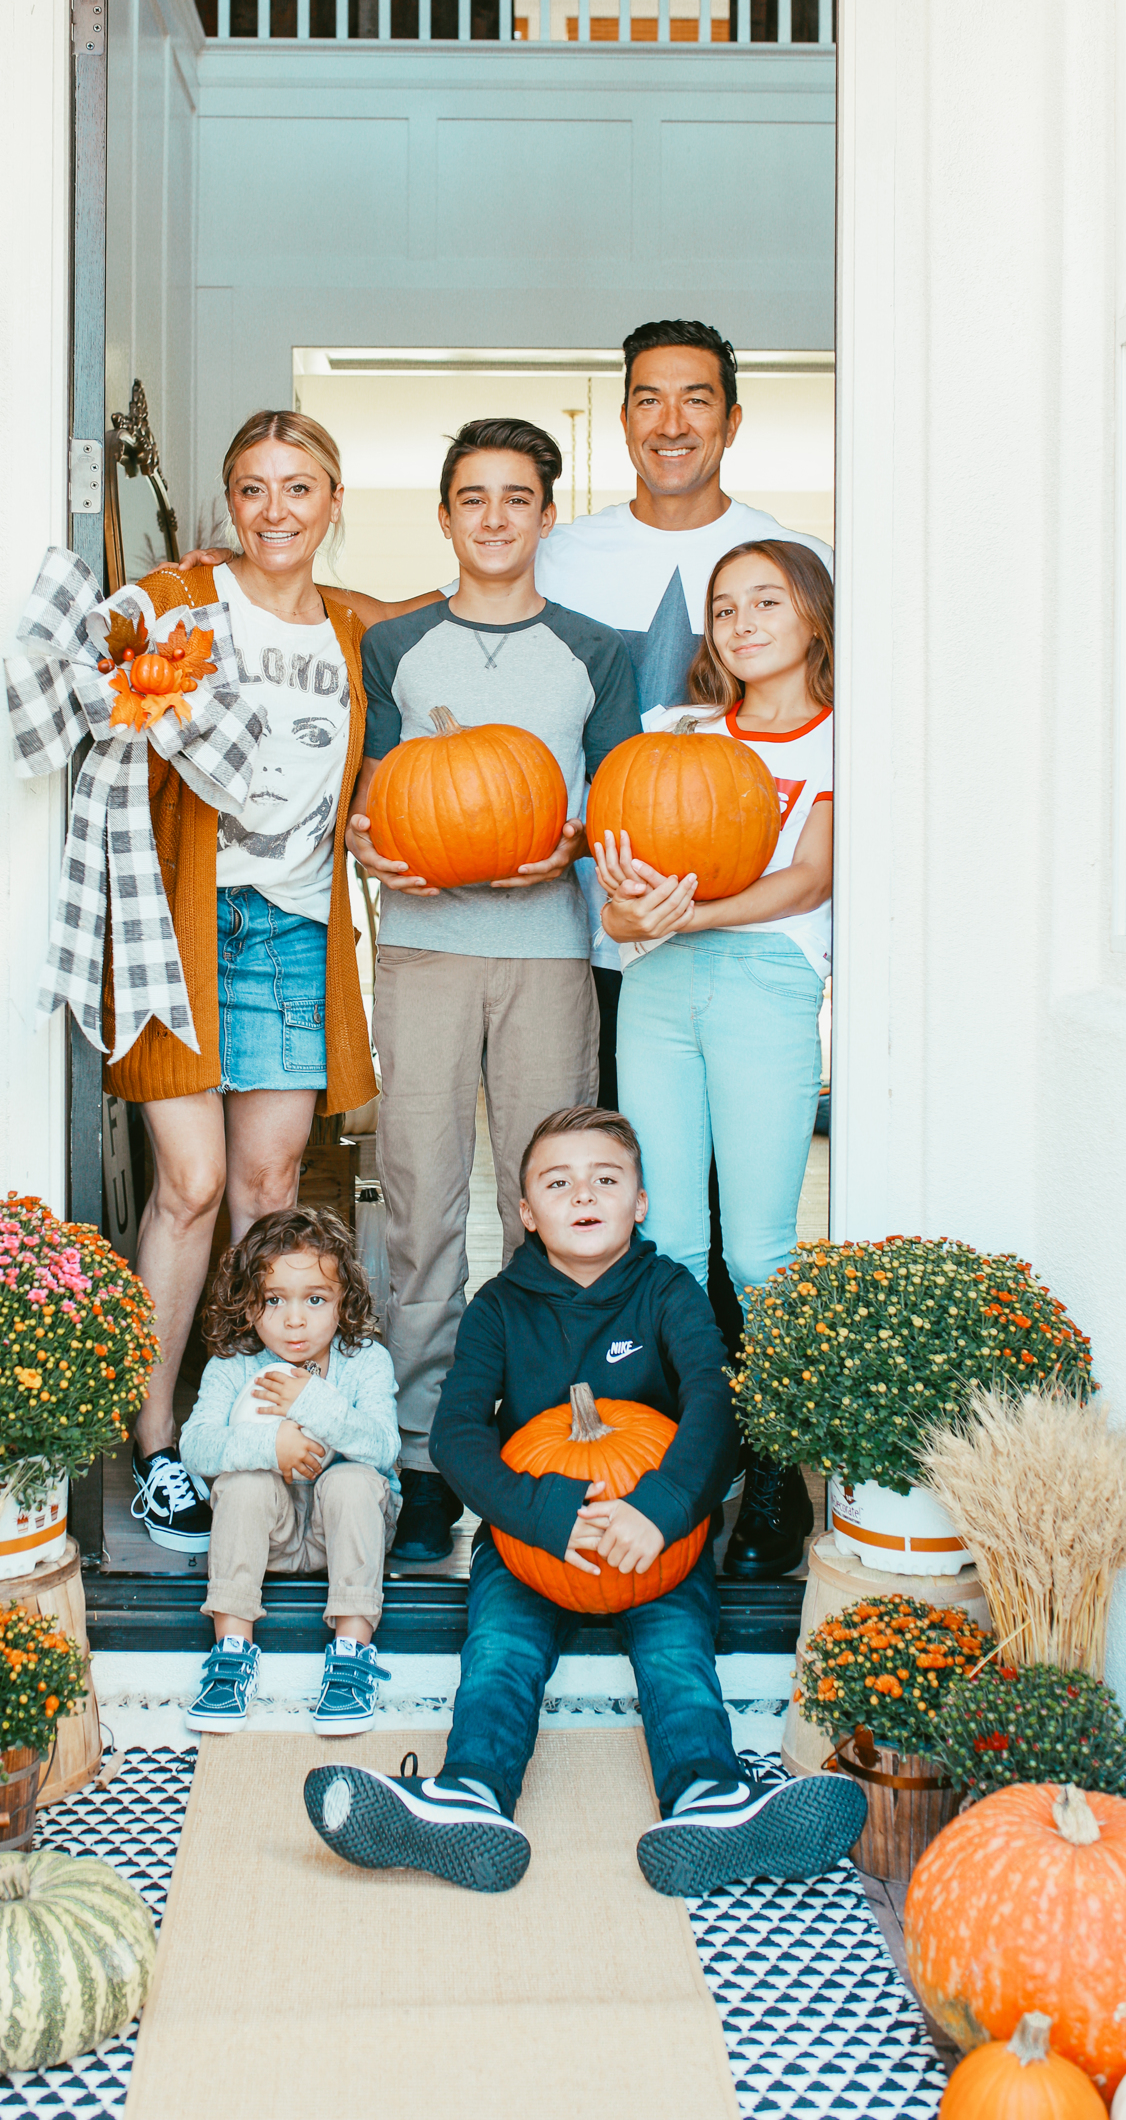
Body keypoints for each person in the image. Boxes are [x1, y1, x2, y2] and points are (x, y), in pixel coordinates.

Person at [300, 1105, 865, 1893]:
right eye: (557, 1183)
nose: (582, 1195)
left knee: (676, 1655)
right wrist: (543, 1515)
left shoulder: (668, 1292)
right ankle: (468, 1795)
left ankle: (711, 1796)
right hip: (533, 1544)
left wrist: (662, 1510)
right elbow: (459, 1435)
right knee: (499, 1653)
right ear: (526, 1212)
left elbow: (713, 1404)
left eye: (605, 1179)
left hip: (653, 1542)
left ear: (638, 1201)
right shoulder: (500, 1307)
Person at [347, 419, 640, 1564]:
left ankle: (541, 1443)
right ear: (444, 515)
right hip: (422, 947)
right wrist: (371, 850)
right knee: (419, 1207)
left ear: (544, 515)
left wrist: (567, 845)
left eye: (516, 498)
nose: (494, 518)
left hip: (544, 950)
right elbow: (374, 801)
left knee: (556, 1210)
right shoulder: (397, 646)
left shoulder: (592, 651)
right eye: (472, 498)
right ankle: (424, 1455)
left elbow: (623, 808)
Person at [104, 411, 377, 1556]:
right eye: (253, 488)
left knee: (269, 1189)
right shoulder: (179, 600)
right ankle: (158, 1440)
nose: (275, 510)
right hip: (181, 924)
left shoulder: (352, 632)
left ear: (330, 501)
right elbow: (95, 653)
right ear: (228, 503)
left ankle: (258, 1428)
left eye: (298, 487)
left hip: (293, 932)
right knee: (191, 1184)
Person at [593, 541, 834, 1576]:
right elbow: (615, 901)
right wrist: (638, 910)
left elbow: (807, 880)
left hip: (765, 986)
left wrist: (683, 913)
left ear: (812, 616)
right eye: (722, 608)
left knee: (759, 1251)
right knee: (675, 1244)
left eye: (763, 602)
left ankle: (779, 1467)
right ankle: (697, 1457)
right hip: (654, 989)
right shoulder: (670, 733)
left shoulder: (841, 739)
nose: (739, 623)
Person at [179, 1205, 400, 1734]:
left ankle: (351, 1655)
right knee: (244, 1482)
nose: (295, 1319)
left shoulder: (365, 1360)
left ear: (343, 1301)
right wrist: (270, 1443)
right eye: (274, 1300)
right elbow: (196, 1447)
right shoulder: (233, 1365)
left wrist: (314, 1402)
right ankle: (232, 1654)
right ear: (248, 1303)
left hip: (340, 1533)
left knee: (353, 1479)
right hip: (270, 1536)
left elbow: (383, 1446)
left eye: (316, 1300)